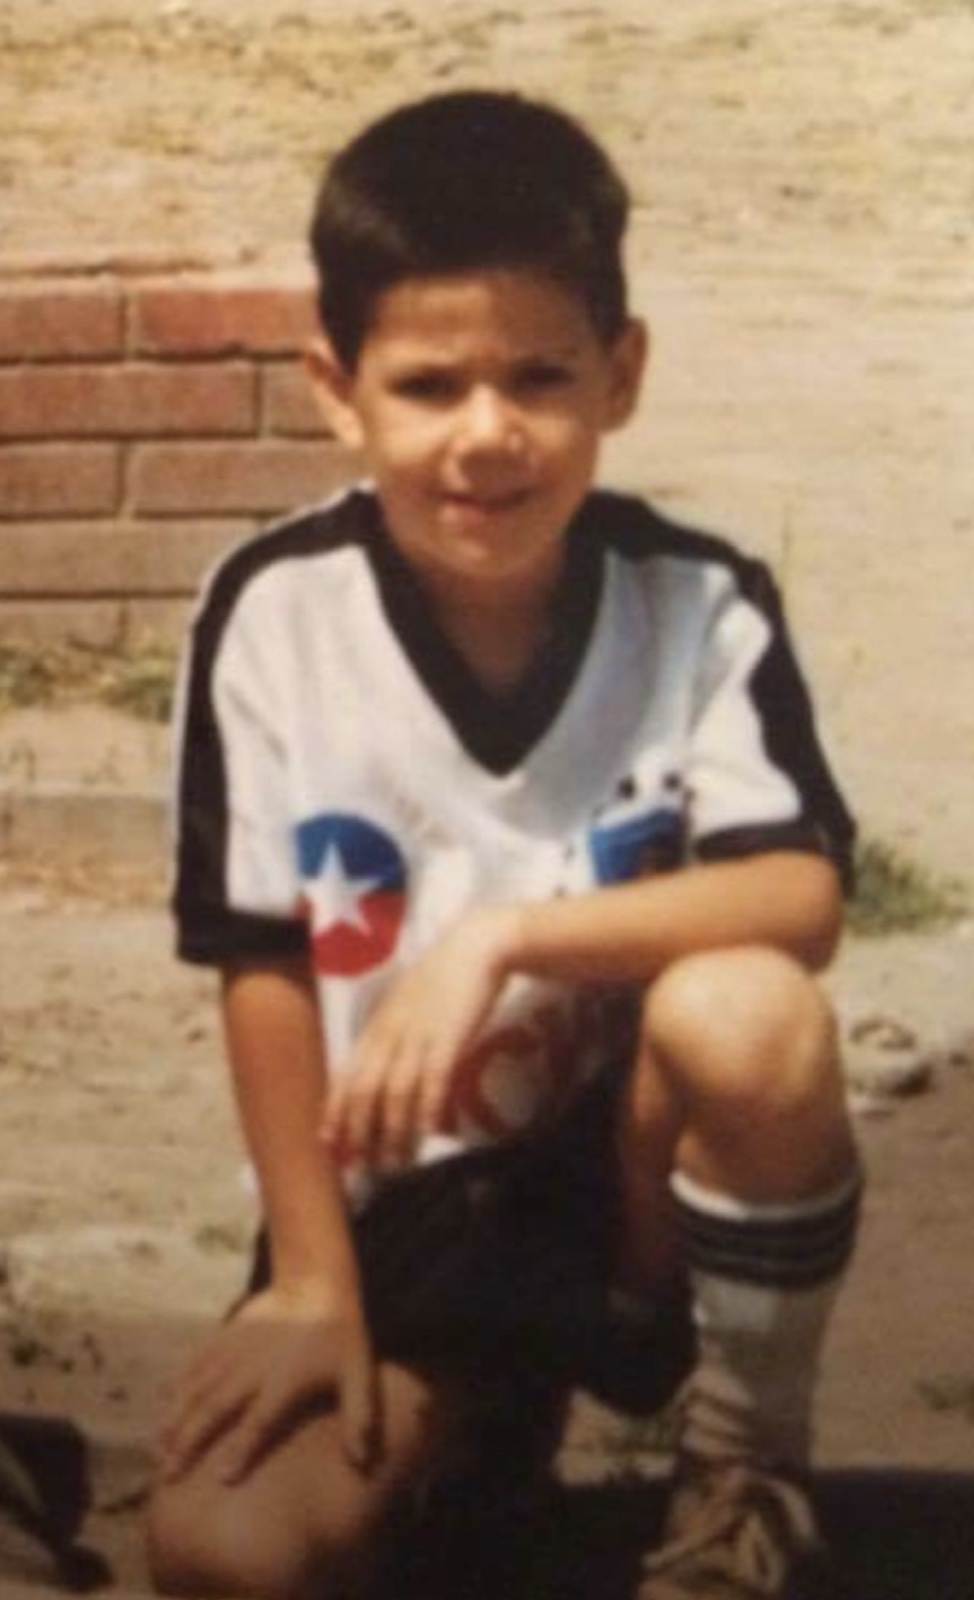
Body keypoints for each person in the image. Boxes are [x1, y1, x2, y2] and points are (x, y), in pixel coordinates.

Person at [146, 90, 862, 1600]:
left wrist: (501, 937)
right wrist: (307, 1278)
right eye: (429, 384)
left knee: (744, 1009)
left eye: (542, 376)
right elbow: (260, 958)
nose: (488, 434)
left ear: (623, 372)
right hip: (403, 1206)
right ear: (339, 391)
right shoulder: (276, 615)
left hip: (633, 1201)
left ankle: (739, 1466)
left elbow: (799, 894)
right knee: (226, 1555)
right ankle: (476, 1420)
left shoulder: (694, 603)